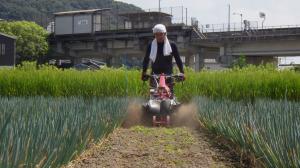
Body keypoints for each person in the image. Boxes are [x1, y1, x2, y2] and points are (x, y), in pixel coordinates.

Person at [141, 24, 185, 95]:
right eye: (156, 35)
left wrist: (182, 72)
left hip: (168, 75)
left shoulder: (172, 45)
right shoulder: (151, 45)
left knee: (169, 95)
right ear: (154, 35)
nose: (159, 37)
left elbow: (178, 59)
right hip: (154, 75)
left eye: (161, 34)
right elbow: (146, 59)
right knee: (153, 95)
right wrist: (144, 72)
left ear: (165, 34)